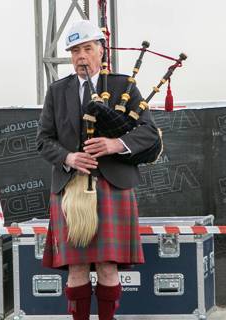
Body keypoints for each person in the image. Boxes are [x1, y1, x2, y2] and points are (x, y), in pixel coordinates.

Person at [36, 19, 159, 320]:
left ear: (101, 51)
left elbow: (149, 133)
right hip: (70, 187)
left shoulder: (122, 86)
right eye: (75, 50)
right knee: (76, 267)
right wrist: (69, 158)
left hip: (111, 184)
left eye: (87, 48)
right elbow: (43, 140)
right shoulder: (57, 91)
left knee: (108, 264)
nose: (80, 56)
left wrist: (115, 144)